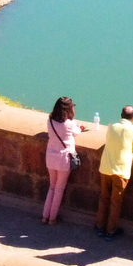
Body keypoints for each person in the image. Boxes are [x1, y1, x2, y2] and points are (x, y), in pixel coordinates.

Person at [95, 105, 133, 239]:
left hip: (106, 167)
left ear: (121, 115)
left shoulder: (111, 126)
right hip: (121, 171)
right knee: (115, 202)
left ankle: (99, 227)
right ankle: (110, 231)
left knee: (104, 198)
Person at [42, 96, 79, 225]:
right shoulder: (70, 123)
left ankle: (45, 216)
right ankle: (52, 218)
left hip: (50, 157)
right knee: (59, 189)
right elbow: (77, 132)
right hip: (63, 159)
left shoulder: (50, 121)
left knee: (52, 187)